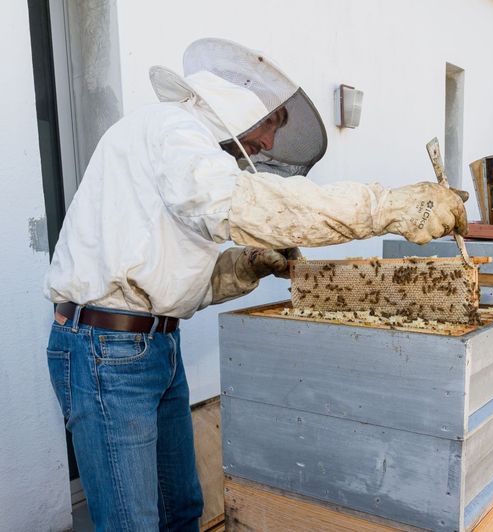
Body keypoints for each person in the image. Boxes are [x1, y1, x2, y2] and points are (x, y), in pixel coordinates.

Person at [44, 38, 468, 531]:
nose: (267, 143)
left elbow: (175, 286)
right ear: (237, 107)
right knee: (131, 523)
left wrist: (248, 265)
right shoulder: (173, 131)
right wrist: (385, 208)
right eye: (269, 124)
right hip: (106, 351)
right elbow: (240, 205)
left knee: (179, 511)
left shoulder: (191, 158)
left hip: (151, 346)